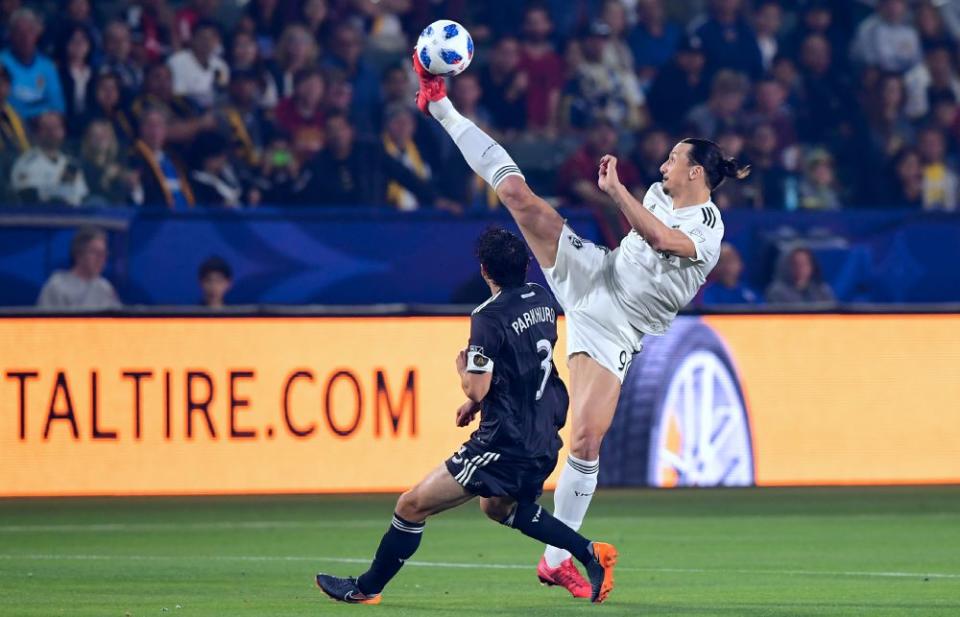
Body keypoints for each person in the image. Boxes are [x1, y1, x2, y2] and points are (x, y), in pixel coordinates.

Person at [413, 54, 748, 597]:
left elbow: (663, 241)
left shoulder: (709, 226)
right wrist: (623, 201)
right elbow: (644, 236)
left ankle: (555, 559)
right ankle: (442, 106)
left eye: (672, 160)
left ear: (695, 172)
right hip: (597, 273)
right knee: (519, 198)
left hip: (620, 327)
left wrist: (615, 192)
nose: (662, 167)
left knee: (587, 441)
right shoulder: (662, 194)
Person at [316, 228, 618, 605]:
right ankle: (590, 552)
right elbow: (519, 366)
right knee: (498, 507)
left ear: (484, 270)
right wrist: (480, 404)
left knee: (411, 505)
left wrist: (464, 375)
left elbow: (476, 385)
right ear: (525, 265)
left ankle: (366, 588)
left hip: (504, 440)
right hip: (543, 431)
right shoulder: (541, 298)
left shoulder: (487, 316)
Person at [10, 112, 88, 206]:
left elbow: (81, 196)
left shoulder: (71, 164)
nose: (51, 132)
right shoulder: (26, 162)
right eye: (46, 128)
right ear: (37, 132)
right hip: (40, 217)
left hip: (72, 217)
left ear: (63, 131)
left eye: (56, 127)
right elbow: (26, 196)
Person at [0, 8, 65, 119]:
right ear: (10, 35)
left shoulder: (47, 66)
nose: (25, 37)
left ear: (37, 34)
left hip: (42, 123)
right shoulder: (2, 63)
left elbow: (57, 106)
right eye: (19, 32)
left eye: (30, 31)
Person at [36, 226, 121, 309]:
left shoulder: (105, 288)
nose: (101, 259)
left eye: (103, 253)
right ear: (79, 254)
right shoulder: (56, 286)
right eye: (95, 253)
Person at [765, 247, 835, 304]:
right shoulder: (776, 292)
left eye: (805, 263)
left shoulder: (822, 290)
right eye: (795, 264)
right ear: (785, 266)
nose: (801, 268)